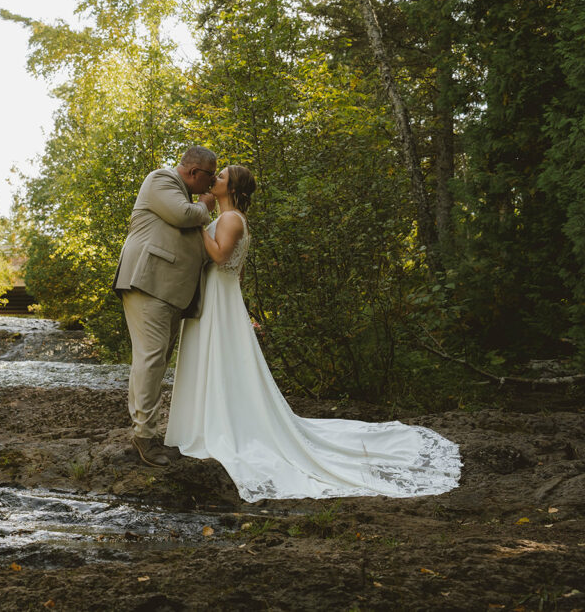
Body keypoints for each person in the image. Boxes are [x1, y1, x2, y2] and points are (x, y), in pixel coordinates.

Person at [165, 165, 462, 500]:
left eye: (221, 177)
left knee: (222, 363)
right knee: (222, 364)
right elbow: (239, 274)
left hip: (221, 299)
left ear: (232, 189)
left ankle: (222, 427)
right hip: (222, 299)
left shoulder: (231, 220)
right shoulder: (229, 219)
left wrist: (199, 221)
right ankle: (212, 420)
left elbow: (220, 257)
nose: (214, 179)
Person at [113, 146, 217, 467]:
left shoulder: (181, 188)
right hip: (149, 282)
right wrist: (205, 207)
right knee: (151, 359)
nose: (211, 185)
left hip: (169, 290)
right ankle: (145, 437)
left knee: (152, 361)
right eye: (210, 177)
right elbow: (183, 215)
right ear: (193, 172)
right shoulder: (162, 180)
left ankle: (145, 432)